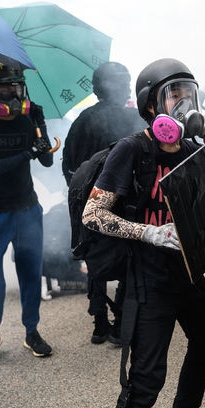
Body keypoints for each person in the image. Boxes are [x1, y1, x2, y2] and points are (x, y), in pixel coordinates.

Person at [82, 58, 205, 408]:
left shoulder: (195, 148)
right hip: (149, 279)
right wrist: (149, 232)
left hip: (188, 270)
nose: (184, 101)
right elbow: (94, 215)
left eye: (189, 92)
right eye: (173, 93)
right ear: (150, 105)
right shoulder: (133, 150)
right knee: (144, 381)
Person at [0, 60, 54, 367]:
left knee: (31, 272)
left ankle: (32, 331)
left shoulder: (29, 120)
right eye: (6, 85)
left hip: (27, 209)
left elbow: (46, 164)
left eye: (17, 85)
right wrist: (27, 152)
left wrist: (40, 128)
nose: (13, 91)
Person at [62, 61, 145, 345]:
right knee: (125, 260)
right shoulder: (130, 118)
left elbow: (69, 167)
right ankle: (114, 321)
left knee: (96, 256)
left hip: (96, 202)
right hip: (121, 203)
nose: (123, 88)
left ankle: (103, 321)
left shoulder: (85, 119)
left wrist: (80, 200)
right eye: (120, 83)